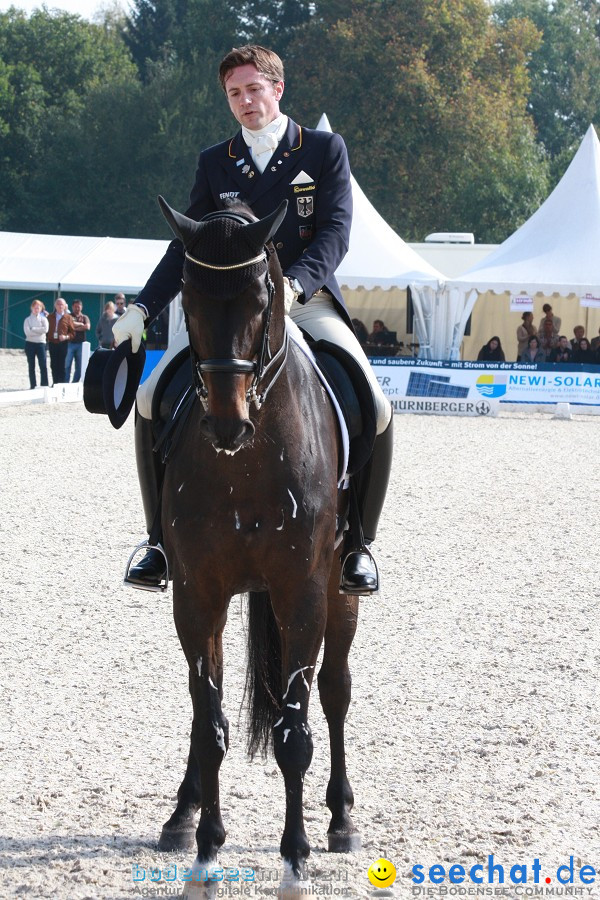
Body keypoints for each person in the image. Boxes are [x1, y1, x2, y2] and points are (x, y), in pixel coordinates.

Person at [112, 44, 393, 595]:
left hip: (302, 298)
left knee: (374, 403)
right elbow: (185, 245)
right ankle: (157, 542)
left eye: (253, 89)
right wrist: (143, 307)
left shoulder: (323, 149)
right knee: (149, 399)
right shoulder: (215, 161)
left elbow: (336, 231)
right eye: (234, 94)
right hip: (229, 305)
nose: (245, 102)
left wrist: (295, 284)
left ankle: (358, 543)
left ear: (277, 89)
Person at [47, 297, 75, 385]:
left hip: (63, 344)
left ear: (65, 306)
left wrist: (66, 337)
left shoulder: (68, 317)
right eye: (58, 304)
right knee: (53, 364)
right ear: (55, 306)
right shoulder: (50, 317)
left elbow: (72, 333)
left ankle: (61, 384)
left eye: (62, 304)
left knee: (62, 365)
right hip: (52, 343)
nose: (60, 306)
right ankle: (55, 383)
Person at [23, 299, 49, 388]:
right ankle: (33, 385)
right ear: (31, 308)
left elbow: (45, 330)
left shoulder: (44, 319)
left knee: (43, 365)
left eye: (38, 307)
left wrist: (33, 329)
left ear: (41, 308)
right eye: (35, 307)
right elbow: (27, 332)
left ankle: (44, 384)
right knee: (31, 365)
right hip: (30, 344)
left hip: (41, 343)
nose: (36, 309)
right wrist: (38, 330)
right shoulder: (27, 320)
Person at [65, 299, 91, 382]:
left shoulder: (84, 317)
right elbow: (69, 326)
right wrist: (80, 326)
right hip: (70, 343)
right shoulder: (69, 316)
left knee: (80, 366)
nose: (77, 308)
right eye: (75, 307)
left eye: (78, 307)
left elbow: (87, 327)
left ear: (81, 307)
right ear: (72, 307)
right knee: (67, 365)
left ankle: (74, 383)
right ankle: (66, 382)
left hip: (81, 344)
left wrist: (74, 328)